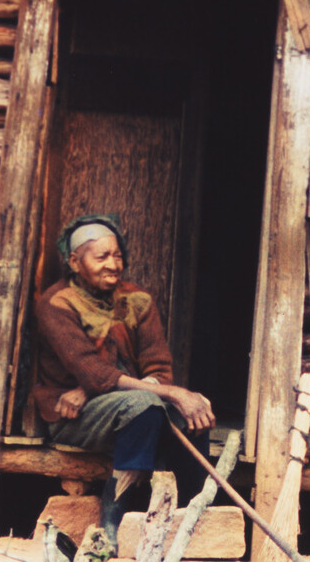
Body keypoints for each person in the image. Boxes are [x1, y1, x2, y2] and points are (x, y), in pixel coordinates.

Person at [31, 214, 216, 541]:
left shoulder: (137, 300)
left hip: (121, 404)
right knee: (144, 406)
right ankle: (113, 521)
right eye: (101, 257)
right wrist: (171, 393)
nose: (112, 264)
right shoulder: (56, 304)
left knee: (192, 412)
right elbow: (93, 371)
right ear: (75, 262)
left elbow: (158, 369)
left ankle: (190, 520)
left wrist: (91, 390)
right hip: (71, 416)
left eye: (116, 255)